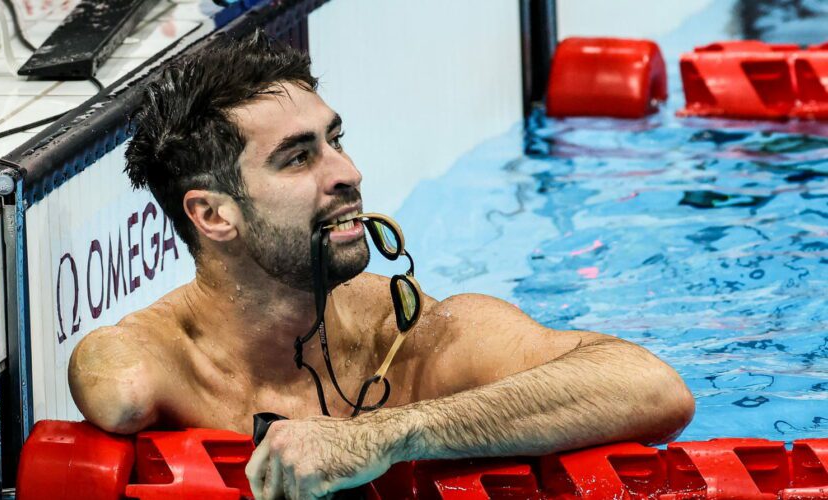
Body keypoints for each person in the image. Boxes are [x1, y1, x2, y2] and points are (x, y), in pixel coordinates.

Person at [68, 32, 694, 500]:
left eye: (334, 141)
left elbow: (652, 386)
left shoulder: (407, 336)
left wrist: (392, 433)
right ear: (212, 215)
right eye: (297, 158)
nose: (348, 173)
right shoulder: (157, 367)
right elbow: (111, 379)